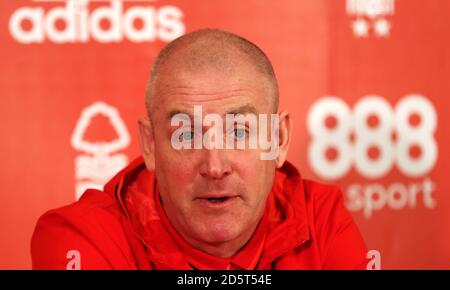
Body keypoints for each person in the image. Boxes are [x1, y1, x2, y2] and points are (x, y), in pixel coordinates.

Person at [31, 29, 368, 270]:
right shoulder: (84, 236)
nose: (215, 166)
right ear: (150, 144)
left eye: (238, 132)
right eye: (187, 135)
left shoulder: (321, 221)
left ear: (278, 140)